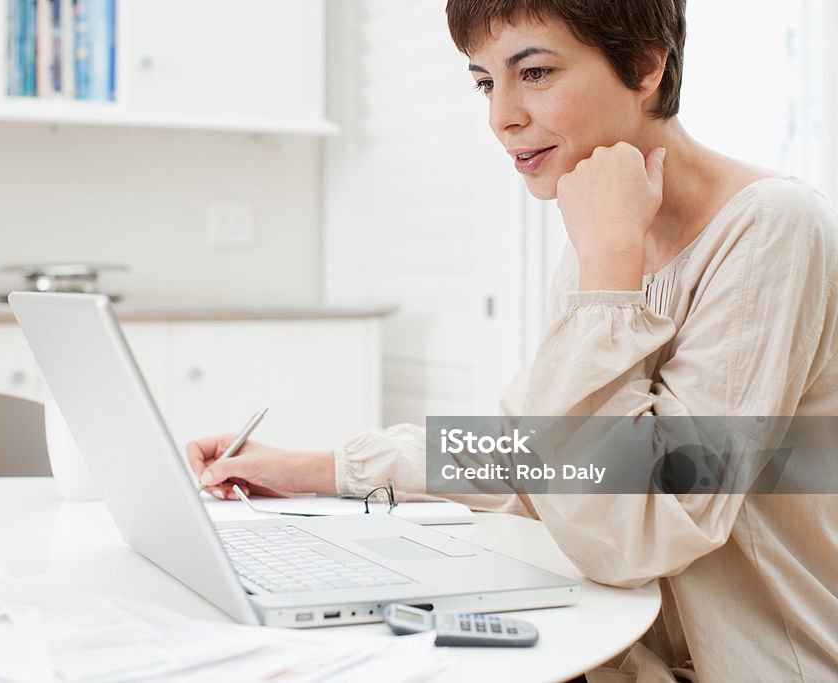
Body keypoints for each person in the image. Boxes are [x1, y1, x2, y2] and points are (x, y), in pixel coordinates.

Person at [188, 1, 838, 681]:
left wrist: (607, 270)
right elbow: (534, 455)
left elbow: (637, 532)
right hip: (620, 655)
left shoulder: (771, 229)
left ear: (647, 65)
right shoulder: (607, 231)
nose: (502, 117)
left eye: (534, 72)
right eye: (485, 82)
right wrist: (316, 468)